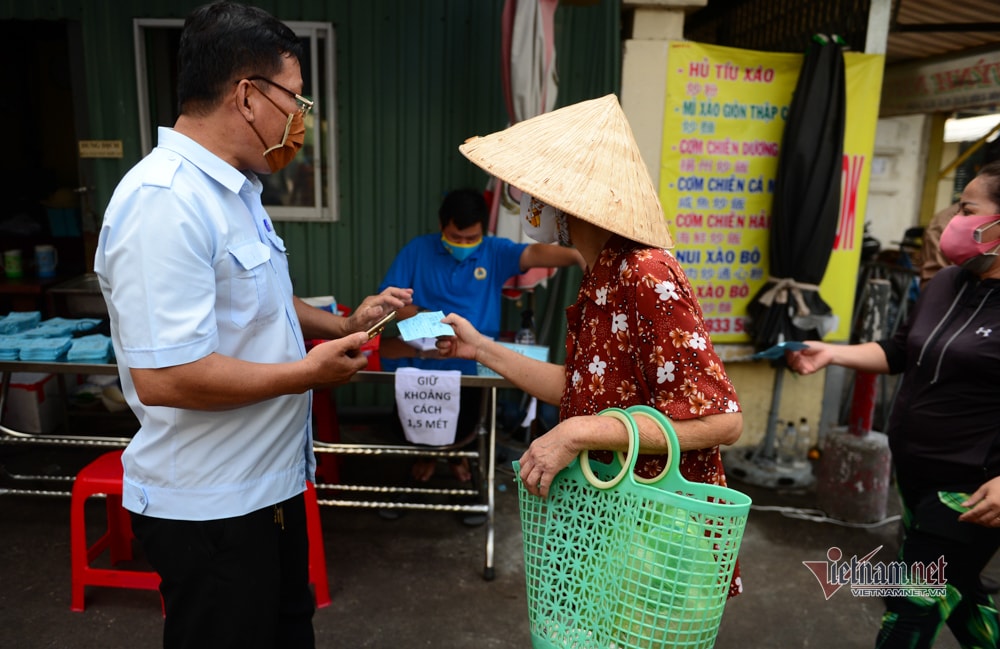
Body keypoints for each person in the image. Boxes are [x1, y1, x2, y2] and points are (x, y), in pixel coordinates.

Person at [93, 3, 412, 647]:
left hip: (269, 491)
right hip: (212, 509)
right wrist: (308, 374)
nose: (299, 118)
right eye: (293, 98)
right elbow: (165, 376)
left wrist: (344, 321)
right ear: (246, 95)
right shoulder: (165, 203)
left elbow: (262, 300)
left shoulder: (234, 192)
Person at [435, 94, 744, 598]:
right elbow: (583, 390)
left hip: (656, 531)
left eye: (531, 192)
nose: (525, 205)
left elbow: (722, 420)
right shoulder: (600, 274)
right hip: (606, 522)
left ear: (567, 198)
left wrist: (579, 433)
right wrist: (479, 349)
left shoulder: (645, 272)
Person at [786, 160, 1000, 648]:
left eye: (967, 209)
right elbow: (902, 349)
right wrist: (831, 353)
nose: (951, 223)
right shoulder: (945, 283)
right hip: (916, 480)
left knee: (908, 610)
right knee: (959, 595)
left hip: (970, 493)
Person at [378, 188, 584, 483]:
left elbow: (533, 253)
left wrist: (577, 254)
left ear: (482, 231)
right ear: (441, 227)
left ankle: (459, 455)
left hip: (475, 361)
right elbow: (391, 303)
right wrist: (430, 318)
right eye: (455, 238)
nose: (463, 244)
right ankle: (429, 457)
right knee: (419, 421)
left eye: (470, 239)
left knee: (471, 423)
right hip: (423, 358)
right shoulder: (417, 250)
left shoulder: (493, 251)